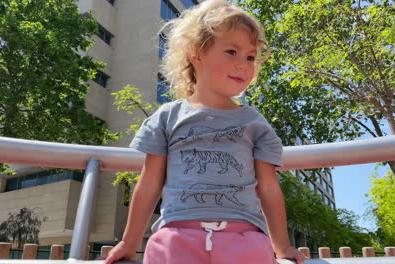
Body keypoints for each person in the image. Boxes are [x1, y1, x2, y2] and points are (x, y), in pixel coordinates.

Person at [104, 0, 306, 263]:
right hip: (175, 237)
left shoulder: (255, 123)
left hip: (245, 239)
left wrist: (282, 247)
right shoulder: (168, 117)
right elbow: (150, 182)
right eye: (232, 51)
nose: (244, 64)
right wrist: (129, 242)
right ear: (196, 53)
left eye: (250, 57)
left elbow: (268, 188)